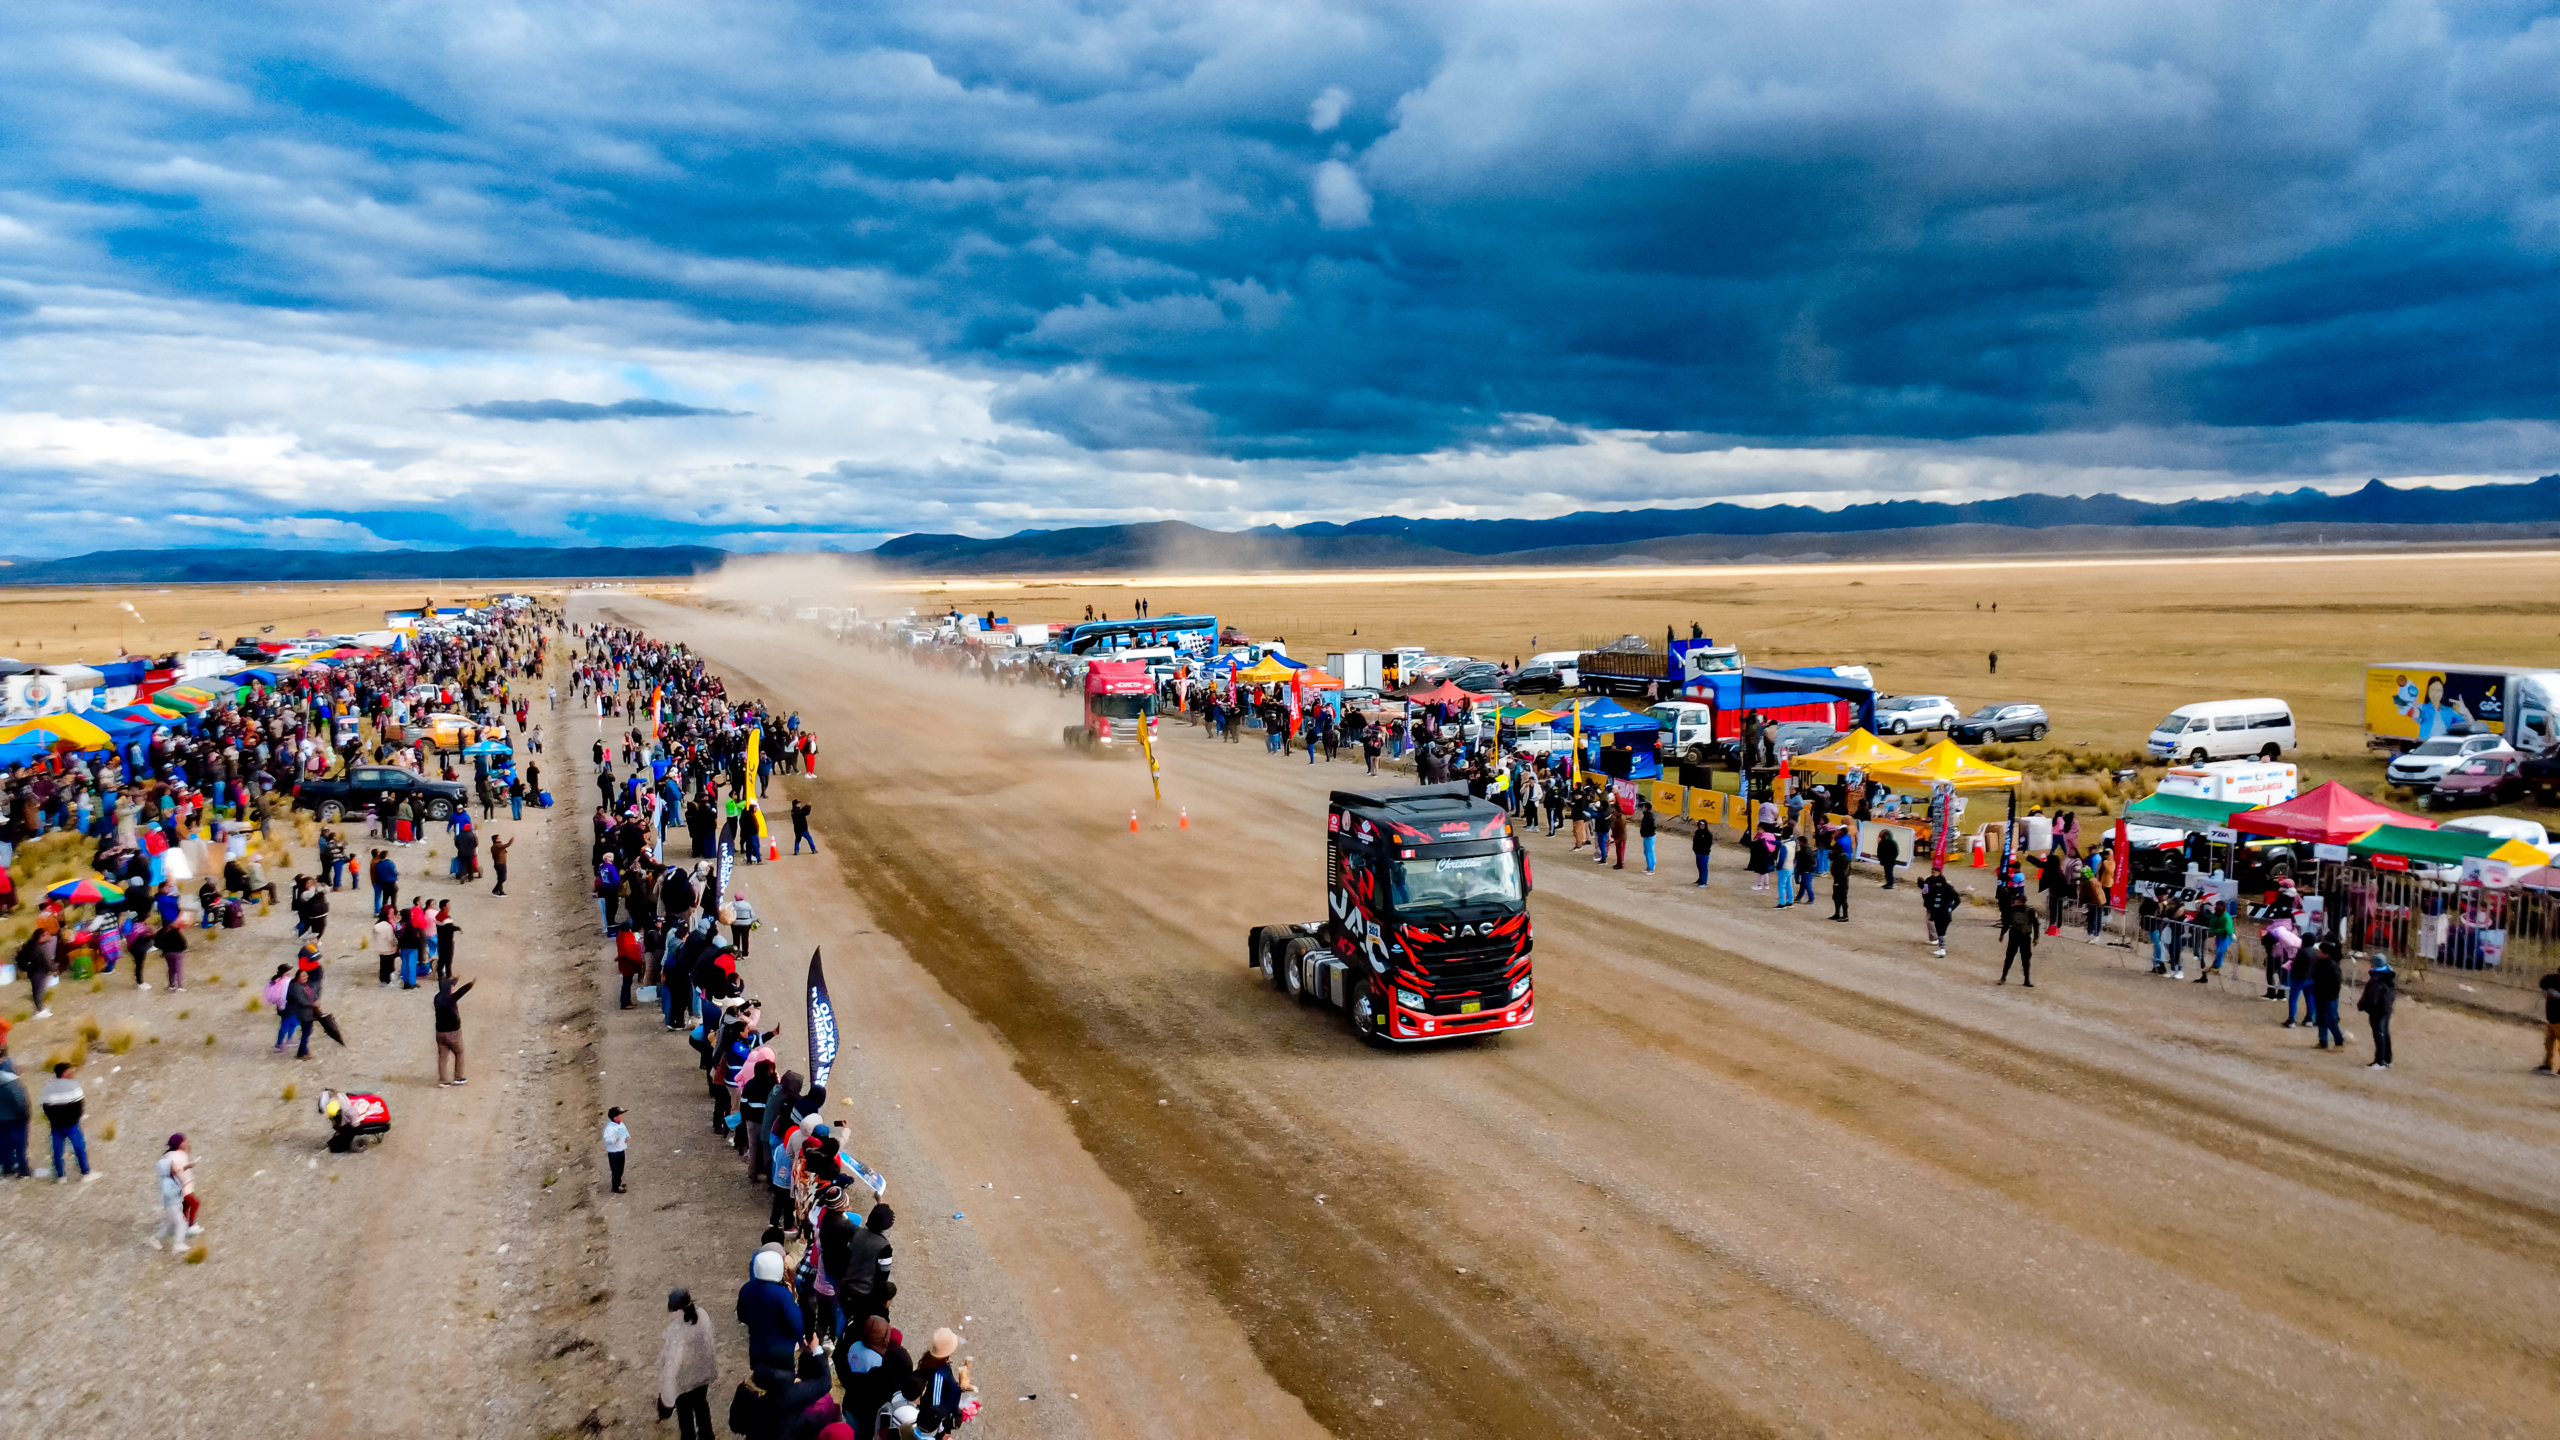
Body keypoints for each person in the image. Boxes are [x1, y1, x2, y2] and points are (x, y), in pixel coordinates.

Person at [659, 1288, 718, 1440]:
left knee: (685, 1416)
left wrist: (667, 1396)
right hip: (703, 1375)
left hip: (684, 1380)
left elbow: (673, 1362)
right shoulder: (703, 1315)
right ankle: (707, 1437)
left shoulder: (676, 1329)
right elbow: (710, 1345)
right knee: (701, 1406)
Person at [736, 1248, 804, 1378]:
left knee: (760, 1381)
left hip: (757, 1348)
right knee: (783, 1383)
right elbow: (796, 1323)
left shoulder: (746, 1289)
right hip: (782, 1351)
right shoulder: (783, 1295)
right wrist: (801, 1342)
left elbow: (742, 1316)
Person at [42, 1060, 93, 1181]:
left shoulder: (48, 1088)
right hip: (71, 1125)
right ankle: (85, 1172)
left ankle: (60, 1176)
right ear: (64, 1073)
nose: (73, 1072)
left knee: (57, 1151)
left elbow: (46, 1108)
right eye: (70, 1071)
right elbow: (80, 1106)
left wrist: (53, 1120)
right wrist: (75, 1119)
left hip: (56, 1126)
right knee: (79, 1148)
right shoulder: (74, 1085)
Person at [154, 1133, 198, 1250]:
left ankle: (156, 1239)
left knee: (168, 1223)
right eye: (173, 1166)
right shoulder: (167, 1181)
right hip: (172, 1204)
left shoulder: (170, 1178)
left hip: (173, 1204)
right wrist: (179, 1190)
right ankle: (177, 1245)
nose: (176, 1167)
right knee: (181, 1223)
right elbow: (169, 1193)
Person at [2357, 955, 2398, 1069]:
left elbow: (2372, 999)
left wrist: (2363, 1006)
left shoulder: (2376, 980)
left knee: (2379, 1034)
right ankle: (2387, 1059)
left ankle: (2379, 1061)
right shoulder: (2388, 977)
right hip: (2386, 1009)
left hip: (2377, 1011)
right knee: (2385, 1033)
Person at [434, 973, 472, 1085]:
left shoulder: (437, 998)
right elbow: (461, 992)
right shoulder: (451, 999)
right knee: (459, 1052)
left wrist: (455, 980)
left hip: (440, 1033)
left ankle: (443, 1080)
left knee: (442, 1056)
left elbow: (454, 990)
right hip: (453, 1032)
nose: (453, 988)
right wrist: (471, 983)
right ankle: (458, 1076)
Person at [2310, 940, 2347, 1051]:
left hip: (2329, 998)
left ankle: (2339, 1042)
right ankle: (2323, 1041)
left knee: (2331, 1020)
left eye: (2320, 951)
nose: (2318, 952)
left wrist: (2332, 995)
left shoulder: (2332, 966)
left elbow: (2336, 983)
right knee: (2320, 1019)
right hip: (2319, 996)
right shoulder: (2319, 963)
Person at [0, 1053, 30, 1178]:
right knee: (20, 1144)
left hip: (2, 1119)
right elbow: (20, 1101)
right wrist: (25, 1115)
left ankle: (7, 1168)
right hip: (16, 1118)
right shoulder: (12, 1082)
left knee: (4, 1143)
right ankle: (23, 1170)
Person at [1999, 894, 2035, 986]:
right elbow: (2007, 922)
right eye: (2015, 902)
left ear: (2023, 902)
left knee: (2026, 959)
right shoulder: (2011, 910)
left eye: (2018, 902)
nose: (2015, 904)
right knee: (2009, 957)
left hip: (2025, 937)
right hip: (2014, 936)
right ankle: (2003, 977)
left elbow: (2036, 924)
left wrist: (2036, 937)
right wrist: (2002, 933)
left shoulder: (2030, 911)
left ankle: (2027, 980)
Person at [1920, 870, 1959, 955]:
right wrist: (1951, 908)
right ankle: (1942, 948)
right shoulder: (1949, 888)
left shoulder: (1935, 889)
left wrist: (1923, 888)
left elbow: (1927, 898)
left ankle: (1942, 948)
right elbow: (1957, 899)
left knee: (1940, 931)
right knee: (1942, 931)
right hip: (1946, 914)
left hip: (1938, 913)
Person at [604, 1106, 630, 1193]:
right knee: (616, 1170)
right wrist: (615, 1139)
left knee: (620, 1168)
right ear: (615, 1117)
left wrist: (626, 1137)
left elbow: (625, 1131)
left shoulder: (621, 1124)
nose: (622, 1116)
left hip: (620, 1149)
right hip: (614, 1152)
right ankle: (616, 1186)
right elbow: (607, 1139)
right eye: (620, 1114)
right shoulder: (610, 1129)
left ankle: (618, 1182)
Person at [2539, 969, 2560, 1073]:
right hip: (2551, 1018)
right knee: (2549, 1044)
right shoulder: (2551, 979)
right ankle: (2548, 1064)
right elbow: (2542, 985)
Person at [1830, 844, 1851, 922]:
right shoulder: (1839, 856)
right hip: (1839, 879)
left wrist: (1838, 881)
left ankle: (1845, 915)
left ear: (1836, 849)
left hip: (1841, 881)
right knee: (1836, 897)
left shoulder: (1842, 858)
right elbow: (1830, 858)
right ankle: (1837, 914)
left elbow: (1841, 872)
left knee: (1842, 898)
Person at [1691, 818, 1713, 888]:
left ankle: (1704, 882)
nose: (1701, 826)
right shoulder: (1697, 832)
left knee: (1703, 868)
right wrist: (1694, 849)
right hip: (1698, 853)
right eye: (1700, 824)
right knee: (1699, 867)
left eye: (1703, 825)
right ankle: (1700, 880)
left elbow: (1708, 844)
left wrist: (1704, 851)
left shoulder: (1708, 834)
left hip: (1704, 854)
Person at [1637, 799, 1656, 873]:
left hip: (1649, 837)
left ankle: (1651, 868)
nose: (1642, 808)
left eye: (1644, 807)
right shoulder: (1647, 816)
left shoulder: (1649, 817)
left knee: (1650, 852)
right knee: (1646, 852)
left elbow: (1651, 827)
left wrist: (1646, 833)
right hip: (1646, 836)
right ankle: (1649, 866)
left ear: (1647, 808)